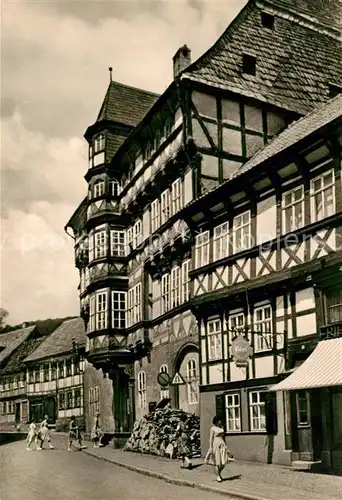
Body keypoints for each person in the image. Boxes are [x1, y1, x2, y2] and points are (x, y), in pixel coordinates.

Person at [206, 416, 230, 482]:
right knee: (217, 461)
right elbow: (211, 438)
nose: (220, 421)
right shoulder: (213, 428)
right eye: (219, 420)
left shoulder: (222, 427)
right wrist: (210, 447)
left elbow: (223, 437)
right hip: (216, 444)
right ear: (216, 421)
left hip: (222, 444)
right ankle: (218, 476)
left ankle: (218, 472)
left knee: (224, 461)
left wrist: (226, 446)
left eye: (220, 420)